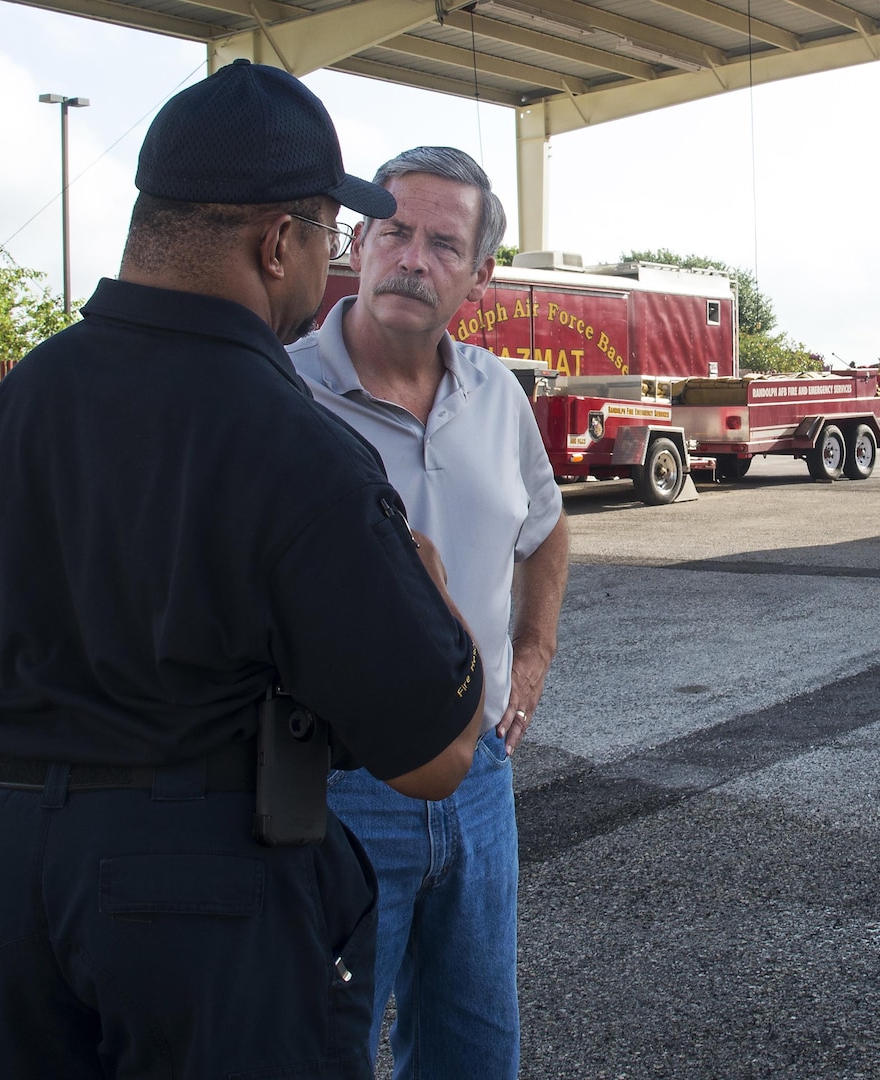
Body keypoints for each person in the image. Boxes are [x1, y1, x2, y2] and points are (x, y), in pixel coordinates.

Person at [0, 61, 486, 1079]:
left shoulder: (18, 402)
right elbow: (436, 754)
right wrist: (434, 593)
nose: (328, 262)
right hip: (200, 897)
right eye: (328, 235)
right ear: (277, 242)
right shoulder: (292, 443)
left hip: (9, 878)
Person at [288, 146, 568, 1079]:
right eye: (394, 231)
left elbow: (546, 529)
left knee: (475, 1046)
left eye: (444, 243)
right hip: (335, 783)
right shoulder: (282, 394)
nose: (412, 257)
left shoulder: (498, 395)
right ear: (358, 244)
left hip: (481, 771)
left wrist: (530, 660)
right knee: (322, 1041)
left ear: (480, 276)